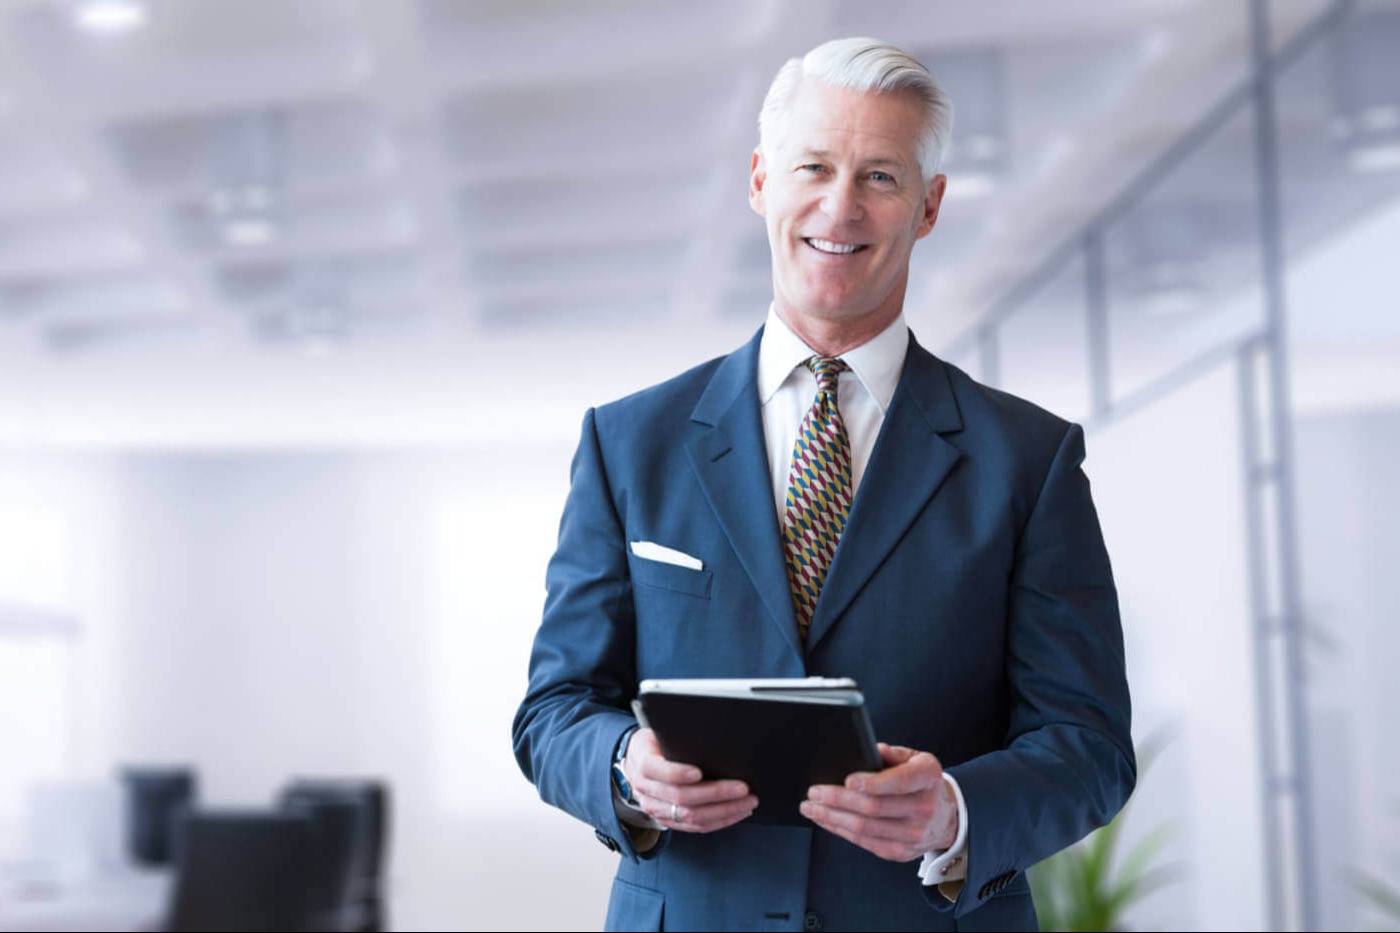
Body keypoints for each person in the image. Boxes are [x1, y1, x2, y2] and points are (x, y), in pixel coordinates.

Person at [512, 36, 1134, 932]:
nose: (840, 206)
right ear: (762, 179)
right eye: (815, 166)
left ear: (928, 206)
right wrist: (623, 767)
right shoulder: (628, 442)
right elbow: (553, 711)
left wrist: (955, 810)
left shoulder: (1028, 459)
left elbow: (1090, 745)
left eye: (881, 176)